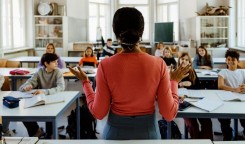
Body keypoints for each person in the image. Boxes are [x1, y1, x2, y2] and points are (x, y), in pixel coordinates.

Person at [68, 7, 190, 140]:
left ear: (116, 33)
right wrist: (174, 82)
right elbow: (169, 114)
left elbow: (99, 113)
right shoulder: (158, 64)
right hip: (148, 134)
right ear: (141, 32)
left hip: (115, 135)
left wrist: (86, 82)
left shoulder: (106, 65)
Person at [19, 53, 65, 138]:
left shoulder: (58, 72)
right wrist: (26, 87)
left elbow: (61, 87)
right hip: (41, 99)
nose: (57, 63)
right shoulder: (39, 72)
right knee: (24, 114)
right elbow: (27, 84)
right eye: (54, 62)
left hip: (54, 100)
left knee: (50, 115)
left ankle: (49, 133)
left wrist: (44, 92)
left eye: (56, 61)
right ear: (46, 63)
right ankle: (36, 131)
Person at [218, 50, 245, 140]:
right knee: (223, 119)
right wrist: (235, 89)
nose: (231, 61)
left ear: (238, 61)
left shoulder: (242, 72)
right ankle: (228, 135)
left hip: (242, 100)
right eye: (228, 59)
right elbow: (220, 86)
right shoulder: (223, 72)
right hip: (227, 101)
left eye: (233, 59)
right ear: (226, 61)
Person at [178, 52, 213, 140]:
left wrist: (190, 84)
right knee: (192, 124)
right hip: (183, 102)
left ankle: (205, 140)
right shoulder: (175, 72)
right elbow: (171, 87)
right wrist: (181, 84)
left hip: (196, 100)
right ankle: (196, 140)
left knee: (207, 122)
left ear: (190, 62)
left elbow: (198, 87)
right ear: (179, 60)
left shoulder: (192, 72)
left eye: (187, 60)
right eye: (182, 59)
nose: (184, 61)